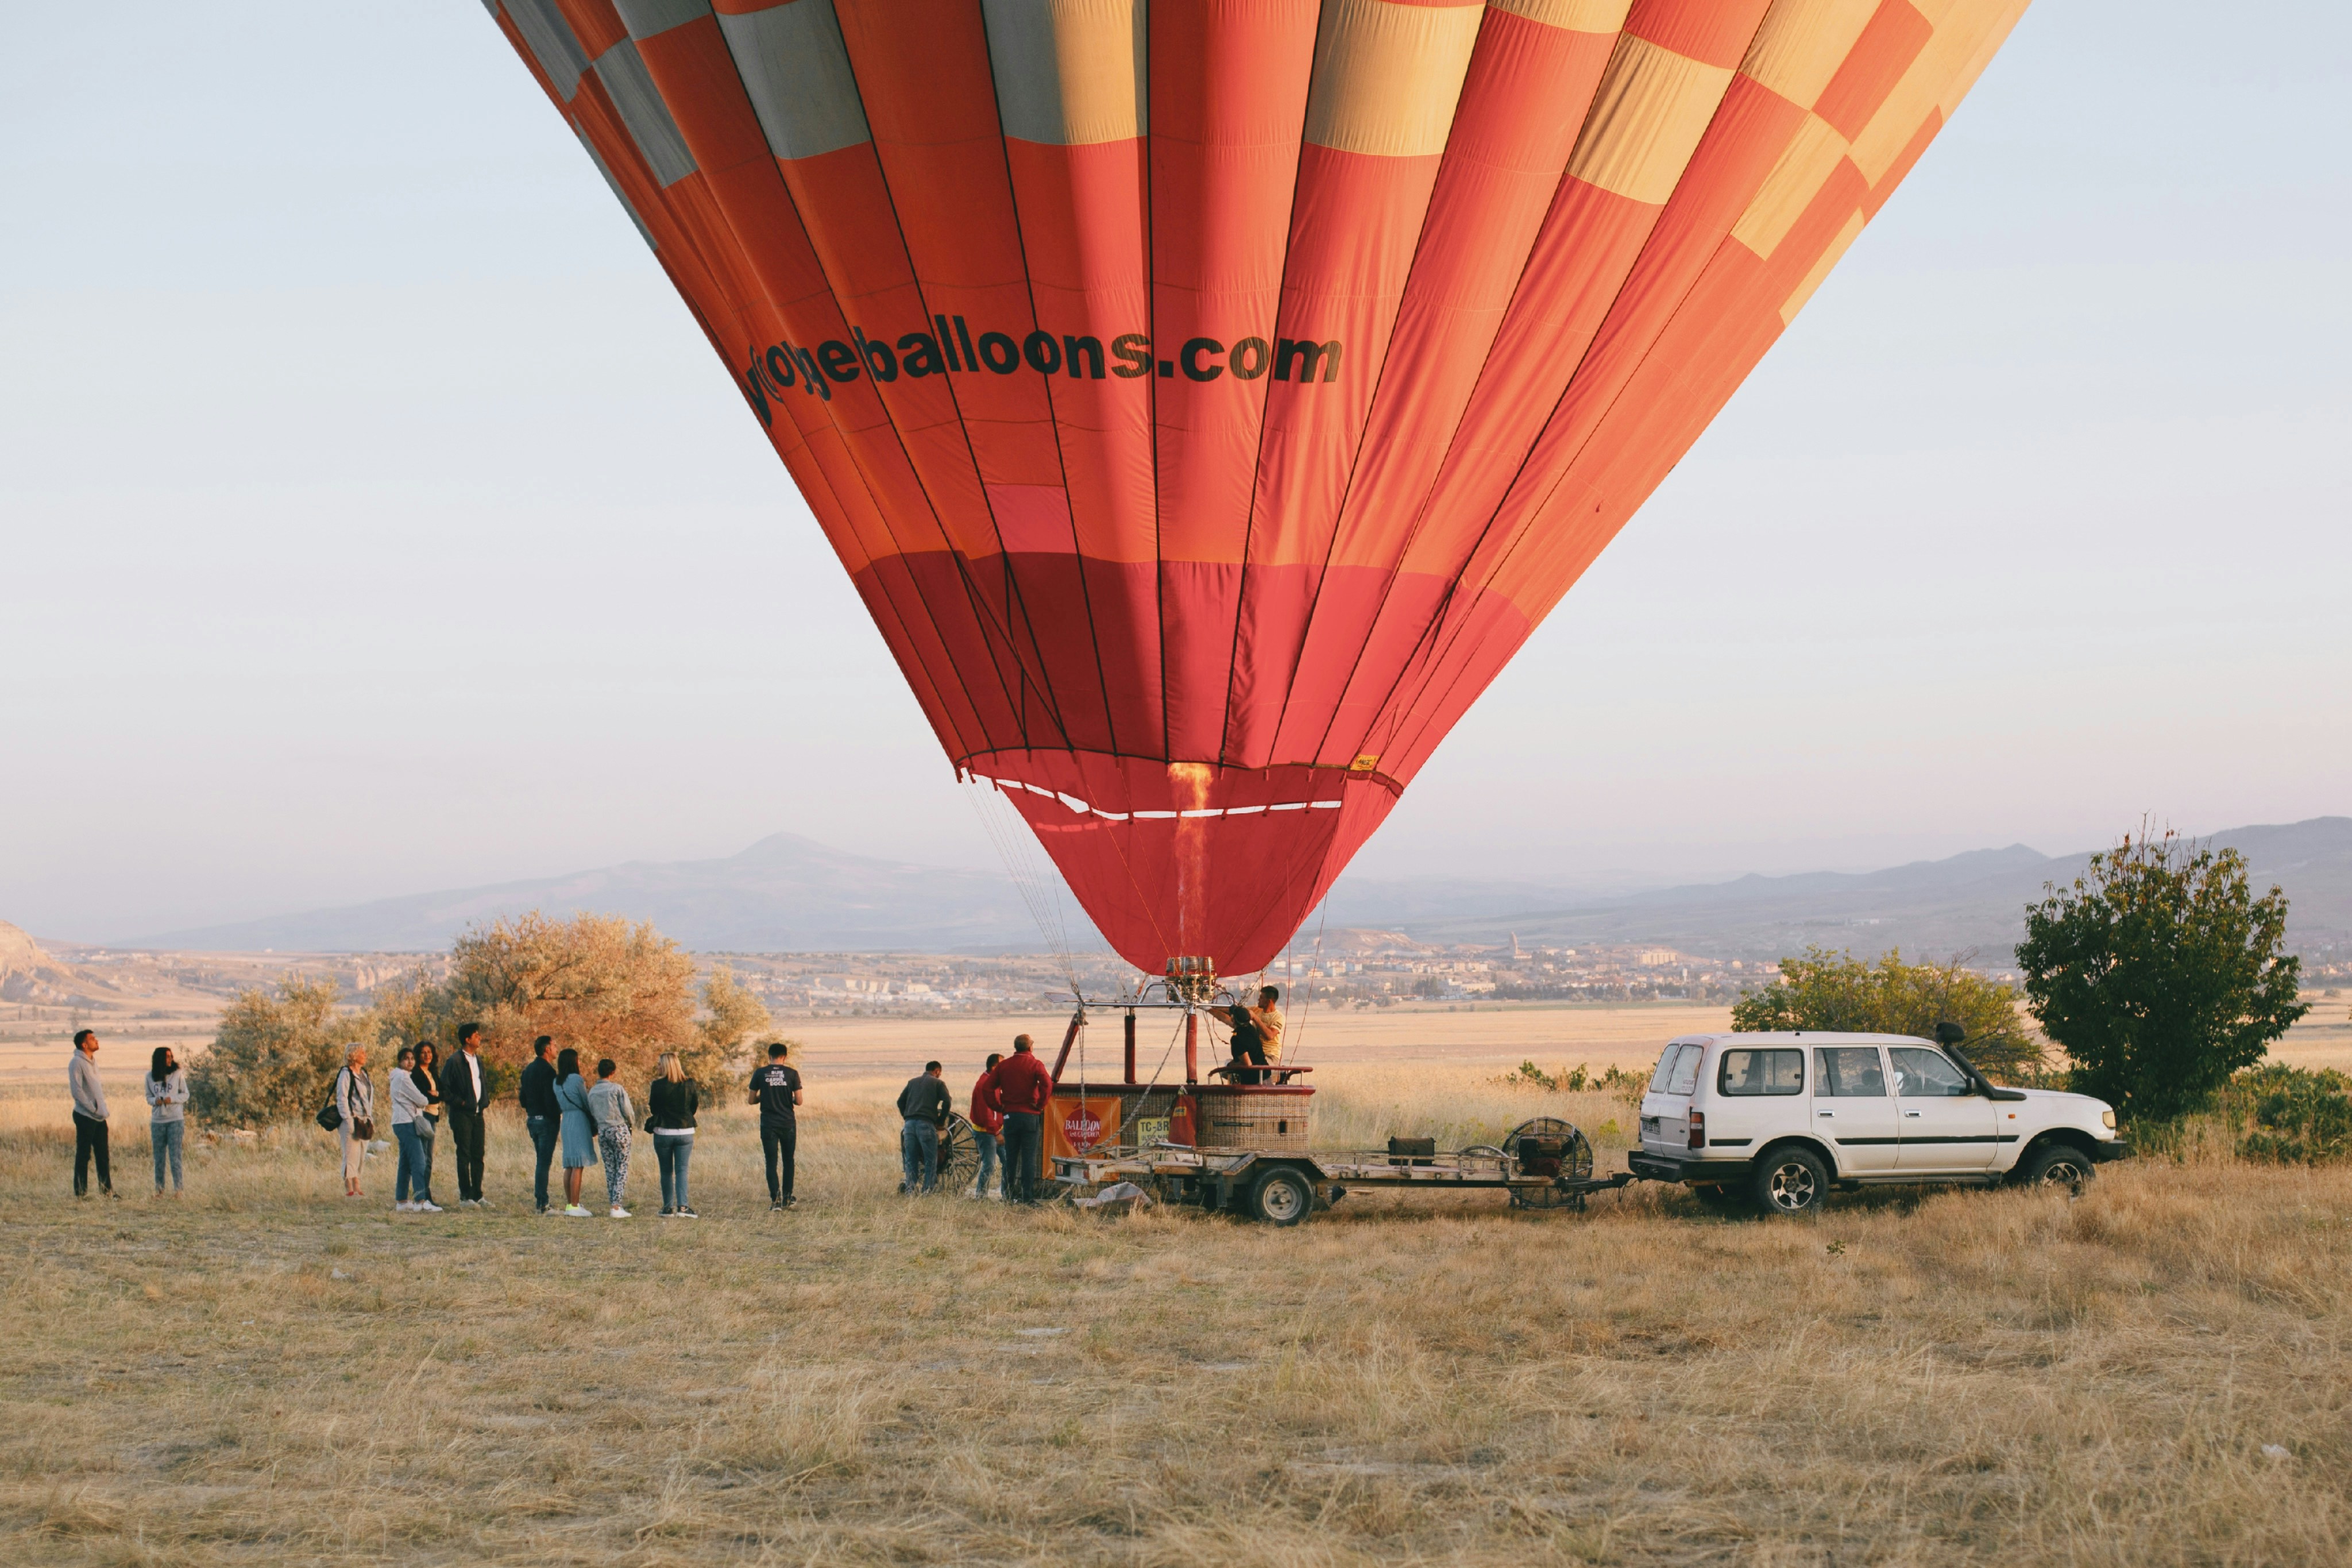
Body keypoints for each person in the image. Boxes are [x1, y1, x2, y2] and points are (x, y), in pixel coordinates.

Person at [990, 1034, 1055, 1204]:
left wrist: (999, 1106)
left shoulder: (1004, 1066)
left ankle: (1009, 1195)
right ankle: (1028, 1197)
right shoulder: (1035, 1064)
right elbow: (1048, 1085)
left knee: (1010, 1158)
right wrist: (1040, 1105)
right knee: (1028, 1158)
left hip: (1010, 1116)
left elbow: (988, 1088)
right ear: (1030, 1047)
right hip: (1030, 1116)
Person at [748, 1042, 802, 1211]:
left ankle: (775, 1200)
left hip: (768, 1124)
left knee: (771, 1162)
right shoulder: (792, 1073)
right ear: (785, 1057)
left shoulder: (760, 1073)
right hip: (787, 1123)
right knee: (788, 1161)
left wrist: (762, 1099)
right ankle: (787, 1197)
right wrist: (789, 1100)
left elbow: (751, 1100)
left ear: (769, 1056)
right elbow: (799, 1101)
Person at [443, 1021, 492, 1207]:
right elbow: (445, 1089)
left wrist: (484, 1101)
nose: (480, 1038)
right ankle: (465, 1196)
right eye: (476, 1035)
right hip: (462, 1115)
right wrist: (461, 1103)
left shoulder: (478, 1060)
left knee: (478, 1154)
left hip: (478, 1114)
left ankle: (477, 1194)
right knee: (464, 1154)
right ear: (467, 1039)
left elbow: (481, 1083)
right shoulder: (454, 1061)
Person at [389, 1046, 442, 1214]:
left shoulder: (399, 1076)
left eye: (412, 1058)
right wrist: (426, 1098)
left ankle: (402, 1201)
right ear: (400, 1061)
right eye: (406, 1058)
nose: (410, 1061)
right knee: (419, 1161)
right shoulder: (403, 1078)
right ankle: (421, 1201)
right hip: (406, 1122)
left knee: (405, 1163)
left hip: (401, 1121)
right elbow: (422, 1100)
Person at [648, 1051, 698, 1218]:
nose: (657, 1066)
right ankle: (683, 1208)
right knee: (682, 1170)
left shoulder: (657, 1085)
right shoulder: (690, 1083)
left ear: (666, 1066)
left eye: (659, 1064)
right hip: (685, 1131)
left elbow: (654, 1109)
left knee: (666, 1171)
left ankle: (668, 1208)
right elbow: (694, 1107)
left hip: (663, 1132)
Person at [585, 1058, 635, 1219]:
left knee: (610, 1168)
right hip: (619, 1129)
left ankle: (613, 1202)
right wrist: (631, 1124)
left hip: (603, 1131)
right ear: (613, 1072)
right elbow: (627, 1110)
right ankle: (616, 1205)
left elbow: (591, 1113)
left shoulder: (592, 1092)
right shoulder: (617, 1089)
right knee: (622, 1167)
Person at [68, 1029, 115, 1200]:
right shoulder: (76, 1063)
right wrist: (92, 1108)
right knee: (84, 1155)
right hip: (85, 1116)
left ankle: (107, 1192)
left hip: (99, 1117)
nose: (96, 1041)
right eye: (92, 1039)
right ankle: (81, 1193)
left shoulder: (93, 1062)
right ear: (84, 1044)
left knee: (103, 1156)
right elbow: (77, 1091)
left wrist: (100, 1110)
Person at [519, 1035, 561, 1213]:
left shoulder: (528, 1070)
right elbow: (550, 1100)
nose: (556, 1048)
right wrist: (555, 1115)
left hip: (532, 1119)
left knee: (541, 1161)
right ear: (547, 1049)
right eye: (554, 1045)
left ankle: (541, 1200)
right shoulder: (549, 1072)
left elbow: (522, 1098)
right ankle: (542, 1202)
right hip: (546, 1122)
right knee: (544, 1162)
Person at [897, 1061, 951, 1195]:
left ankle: (910, 1190)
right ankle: (927, 1190)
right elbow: (947, 1102)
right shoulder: (938, 1083)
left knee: (911, 1159)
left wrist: (907, 1116)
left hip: (909, 1125)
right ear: (937, 1071)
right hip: (926, 1124)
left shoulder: (912, 1082)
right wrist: (941, 1121)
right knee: (930, 1159)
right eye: (940, 1073)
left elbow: (900, 1102)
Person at [554, 1048, 595, 1218]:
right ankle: (575, 1205)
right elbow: (585, 1101)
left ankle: (570, 1204)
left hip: (566, 1120)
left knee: (570, 1164)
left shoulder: (556, 1081)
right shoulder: (577, 1079)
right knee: (578, 1164)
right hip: (579, 1120)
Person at [145, 1046, 188, 1196]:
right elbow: (148, 1097)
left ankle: (179, 1190)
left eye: (171, 1056)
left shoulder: (178, 1074)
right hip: (158, 1121)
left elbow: (185, 1094)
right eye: (167, 1057)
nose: (170, 1059)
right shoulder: (149, 1077)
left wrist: (173, 1099)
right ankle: (159, 1190)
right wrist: (155, 1101)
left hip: (175, 1120)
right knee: (159, 1158)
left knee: (175, 1156)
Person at [334, 1044, 374, 1199]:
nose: (365, 1055)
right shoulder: (346, 1073)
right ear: (353, 1055)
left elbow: (368, 1097)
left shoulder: (364, 1074)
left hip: (365, 1119)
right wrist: (348, 1119)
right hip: (351, 1118)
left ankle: (357, 1182)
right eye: (362, 1052)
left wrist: (370, 1117)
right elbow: (342, 1098)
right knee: (350, 1153)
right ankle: (349, 1185)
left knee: (361, 1154)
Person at [411, 1040, 445, 1208]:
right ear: (418, 1055)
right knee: (423, 1157)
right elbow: (424, 1097)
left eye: (430, 1052)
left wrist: (437, 1094)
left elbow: (442, 1092)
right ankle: (422, 1195)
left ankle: (426, 1192)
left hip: (433, 1115)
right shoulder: (416, 1074)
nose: (427, 1055)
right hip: (423, 1116)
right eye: (424, 1052)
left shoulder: (433, 1072)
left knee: (429, 1158)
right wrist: (436, 1095)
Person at [967, 1052, 1004, 1199]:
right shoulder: (984, 1085)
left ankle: (1006, 1194)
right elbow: (986, 1114)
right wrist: (996, 1133)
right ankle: (981, 1195)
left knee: (1007, 1162)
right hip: (987, 1132)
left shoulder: (994, 1082)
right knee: (989, 1165)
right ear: (995, 1068)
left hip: (997, 1130)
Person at [1225, 1003, 1267, 1084]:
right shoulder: (1251, 1029)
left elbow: (1247, 1064)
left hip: (1254, 1082)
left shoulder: (1237, 1039)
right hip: (1265, 1075)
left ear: (1233, 1019)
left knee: (1225, 1072)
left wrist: (1230, 1065)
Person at [1249, 986, 1285, 1067]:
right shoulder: (1256, 1010)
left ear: (1269, 1001)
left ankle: (1282, 1073)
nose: (1259, 1000)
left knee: (1257, 1067)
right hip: (1255, 1055)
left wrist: (1255, 1018)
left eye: (1261, 998)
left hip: (1271, 1056)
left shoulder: (1279, 1017)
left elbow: (1270, 1035)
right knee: (1229, 1069)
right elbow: (1239, 1012)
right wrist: (1215, 1008)